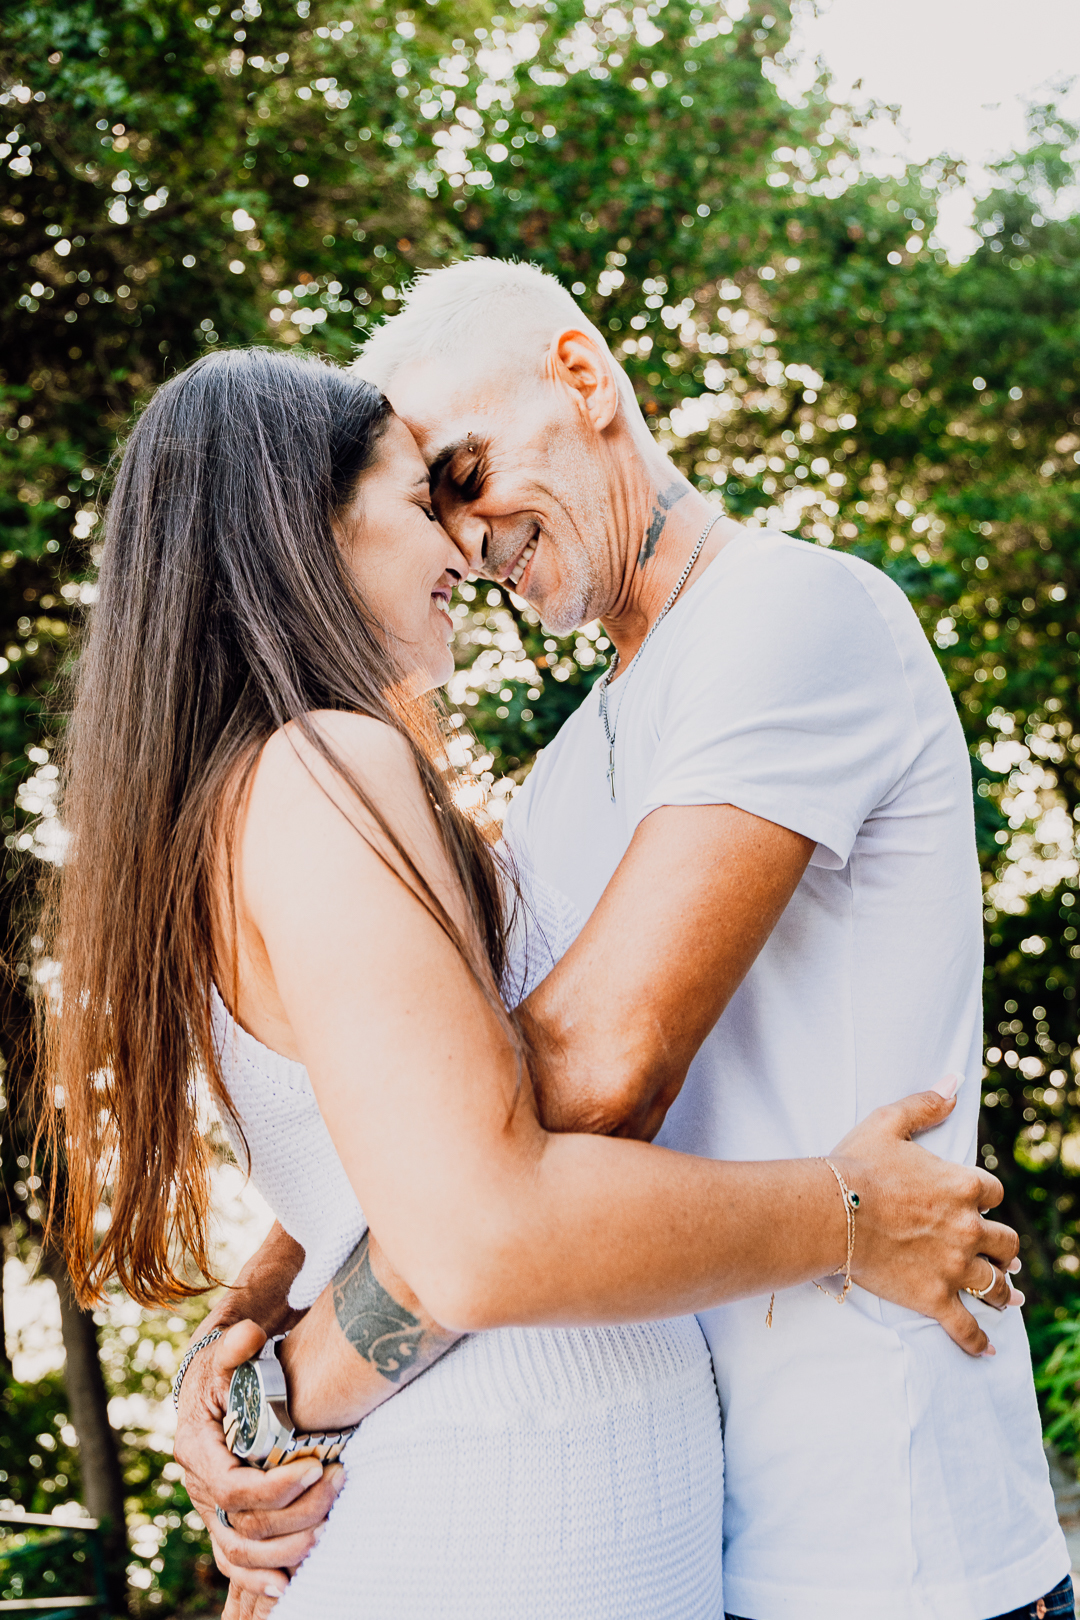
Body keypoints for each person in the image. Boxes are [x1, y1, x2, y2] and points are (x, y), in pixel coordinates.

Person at [44, 344, 1021, 1620]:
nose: (459, 542)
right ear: (303, 527)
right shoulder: (332, 768)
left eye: (463, 479)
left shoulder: (308, 787)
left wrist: (266, 1362)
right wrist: (849, 1215)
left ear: (585, 381)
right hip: (498, 1525)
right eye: (420, 498)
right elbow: (488, 1197)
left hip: (641, 1526)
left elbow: (420, 1110)